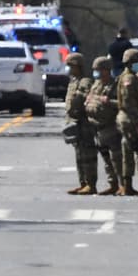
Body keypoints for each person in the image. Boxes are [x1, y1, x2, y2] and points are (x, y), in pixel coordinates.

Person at [115, 48, 138, 196]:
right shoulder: (129, 79)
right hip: (132, 119)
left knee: (128, 151)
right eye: (137, 62)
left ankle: (127, 185)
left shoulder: (131, 77)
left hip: (128, 118)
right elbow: (128, 102)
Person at [85, 56, 123, 196]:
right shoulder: (96, 85)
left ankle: (123, 185)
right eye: (95, 70)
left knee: (116, 158)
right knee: (106, 158)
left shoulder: (114, 85)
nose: (97, 73)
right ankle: (112, 184)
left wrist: (108, 101)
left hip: (111, 127)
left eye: (99, 70)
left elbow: (122, 103)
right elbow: (89, 99)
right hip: (97, 127)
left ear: (107, 70)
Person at [63, 53, 97, 195]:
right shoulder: (73, 82)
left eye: (71, 66)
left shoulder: (85, 82)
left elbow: (82, 99)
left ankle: (90, 183)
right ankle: (82, 183)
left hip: (84, 124)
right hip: (74, 123)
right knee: (79, 155)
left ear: (78, 66)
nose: (69, 69)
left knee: (88, 155)